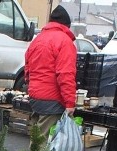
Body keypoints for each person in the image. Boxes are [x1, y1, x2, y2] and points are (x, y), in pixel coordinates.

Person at [24, 5, 77, 138]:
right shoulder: (65, 42)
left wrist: (32, 88)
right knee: (45, 145)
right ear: (66, 25)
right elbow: (65, 75)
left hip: (35, 97)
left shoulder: (38, 39)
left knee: (36, 140)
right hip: (52, 100)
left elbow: (27, 70)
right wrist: (70, 103)